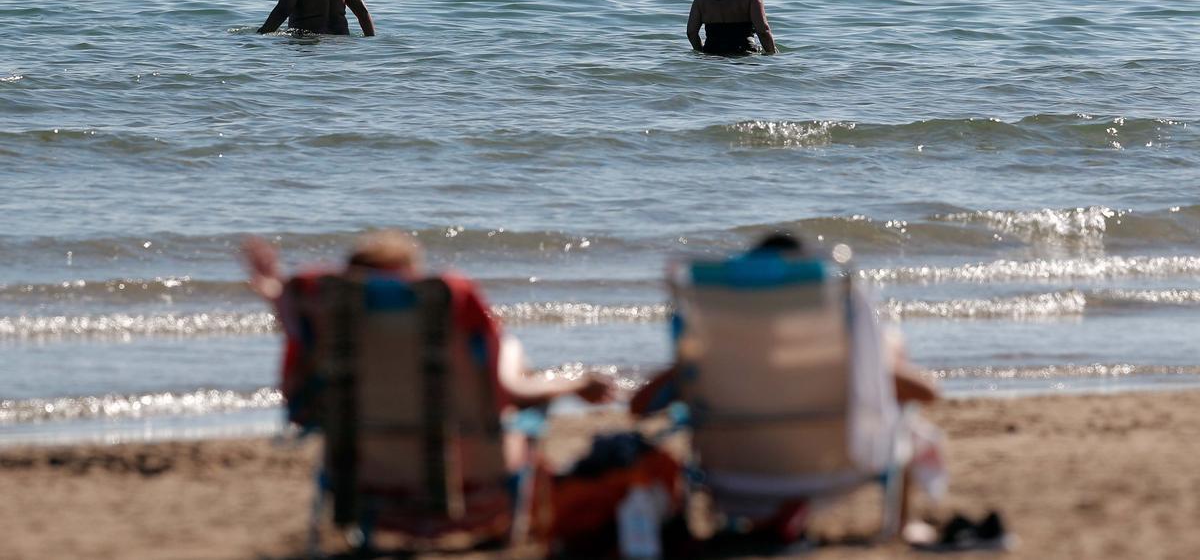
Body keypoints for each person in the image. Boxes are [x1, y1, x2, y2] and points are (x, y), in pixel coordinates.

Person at [631, 231, 943, 541]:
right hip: (832, 475)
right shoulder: (835, 358)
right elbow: (926, 392)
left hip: (732, 481)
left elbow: (639, 407)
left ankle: (758, 522)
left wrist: (685, 363)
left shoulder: (711, 360)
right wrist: (883, 357)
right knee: (903, 413)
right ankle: (900, 526)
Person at [241, 231, 614, 470]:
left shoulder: (334, 336)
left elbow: (306, 332)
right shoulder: (448, 330)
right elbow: (512, 391)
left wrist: (280, 292)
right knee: (510, 354)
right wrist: (577, 383)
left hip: (365, 473)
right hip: (470, 472)